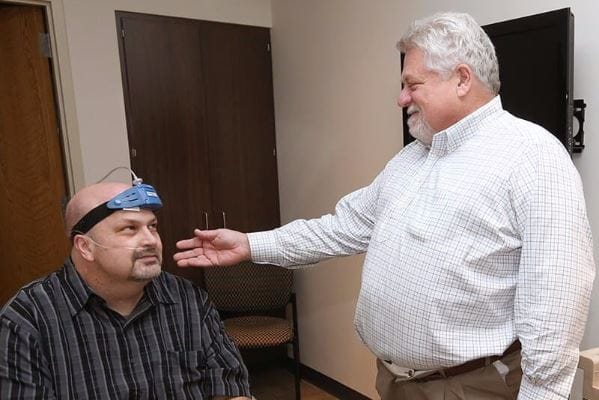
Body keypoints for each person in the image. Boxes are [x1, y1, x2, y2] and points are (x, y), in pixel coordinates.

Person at [173, 11, 595, 400]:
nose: (401, 98)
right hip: (394, 382)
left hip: (469, 388)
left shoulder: (533, 157)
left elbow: (555, 306)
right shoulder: (410, 159)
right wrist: (249, 244)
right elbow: (338, 228)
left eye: (413, 85)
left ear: (462, 79)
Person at [0, 179, 251, 400]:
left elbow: (231, 387)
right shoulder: (27, 320)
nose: (151, 240)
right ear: (85, 246)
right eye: (129, 228)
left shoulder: (188, 300)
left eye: (152, 226)